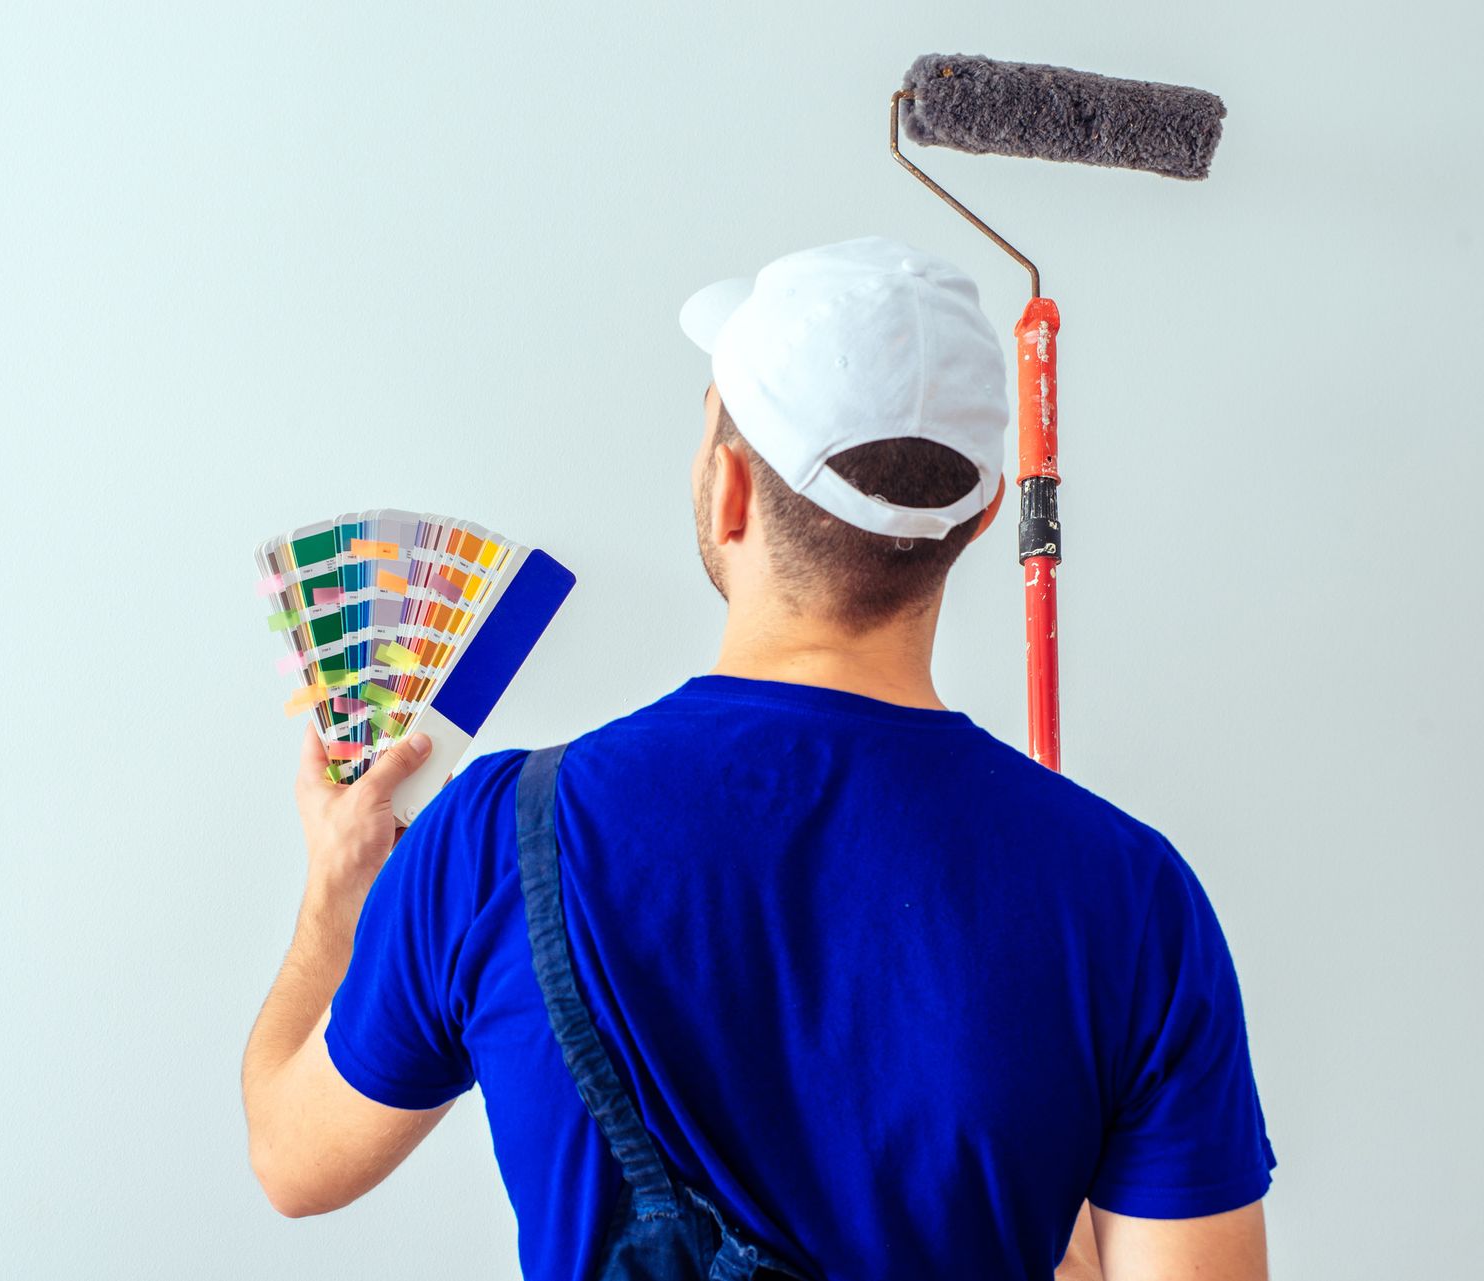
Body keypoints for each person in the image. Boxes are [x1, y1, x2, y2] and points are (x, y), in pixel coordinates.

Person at [240, 236, 1275, 1280]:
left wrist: (336, 900)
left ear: (727, 489)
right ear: (981, 516)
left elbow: (292, 1161)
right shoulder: (1130, 898)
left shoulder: (496, 840)